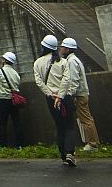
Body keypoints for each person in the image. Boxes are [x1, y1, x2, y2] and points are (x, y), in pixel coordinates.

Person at [33, 34, 75, 166]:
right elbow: (66, 79)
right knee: (69, 125)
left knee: (59, 125)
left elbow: (39, 82)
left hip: (50, 99)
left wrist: (51, 95)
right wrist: (60, 96)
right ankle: (70, 153)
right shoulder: (62, 61)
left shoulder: (37, 62)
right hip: (65, 98)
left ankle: (63, 156)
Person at [60, 38, 100, 152]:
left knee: (86, 119)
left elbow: (73, 80)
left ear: (67, 49)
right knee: (87, 118)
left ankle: (92, 144)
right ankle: (93, 142)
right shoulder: (74, 59)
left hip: (79, 95)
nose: (61, 49)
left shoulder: (71, 61)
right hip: (82, 93)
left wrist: (70, 95)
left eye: (63, 47)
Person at [0, 52, 23, 148]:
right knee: (16, 122)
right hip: (14, 100)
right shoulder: (16, 73)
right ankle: (19, 145)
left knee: (2, 122)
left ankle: (3, 145)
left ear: (5, 60)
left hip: (4, 99)